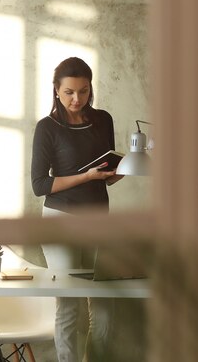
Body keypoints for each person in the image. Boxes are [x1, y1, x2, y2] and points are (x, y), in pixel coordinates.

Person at [31, 57, 123, 362]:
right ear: (56, 90)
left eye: (83, 91)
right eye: (69, 92)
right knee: (69, 304)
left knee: (106, 304)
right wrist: (86, 176)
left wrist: (122, 170)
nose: (77, 99)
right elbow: (40, 185)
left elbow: (105, 179)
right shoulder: (47, 128)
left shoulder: (103, 120)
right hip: (61, 220)